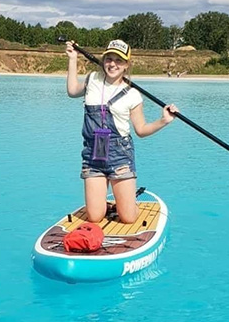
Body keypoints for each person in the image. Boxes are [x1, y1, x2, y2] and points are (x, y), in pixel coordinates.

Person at [65, 39, 179, 224]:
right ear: (103, 61)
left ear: (126, 64)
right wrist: (72, 59)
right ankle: (109, 203)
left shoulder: (133, 94)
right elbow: (71, 91)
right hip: (93, 154)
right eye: (109, 59)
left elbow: (141, 130)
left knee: (128, 218)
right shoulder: (92, 79)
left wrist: (163, 121)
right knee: (94, 217)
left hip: (120, 155)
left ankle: (127, 202)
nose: (112, 64)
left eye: (118, 60)